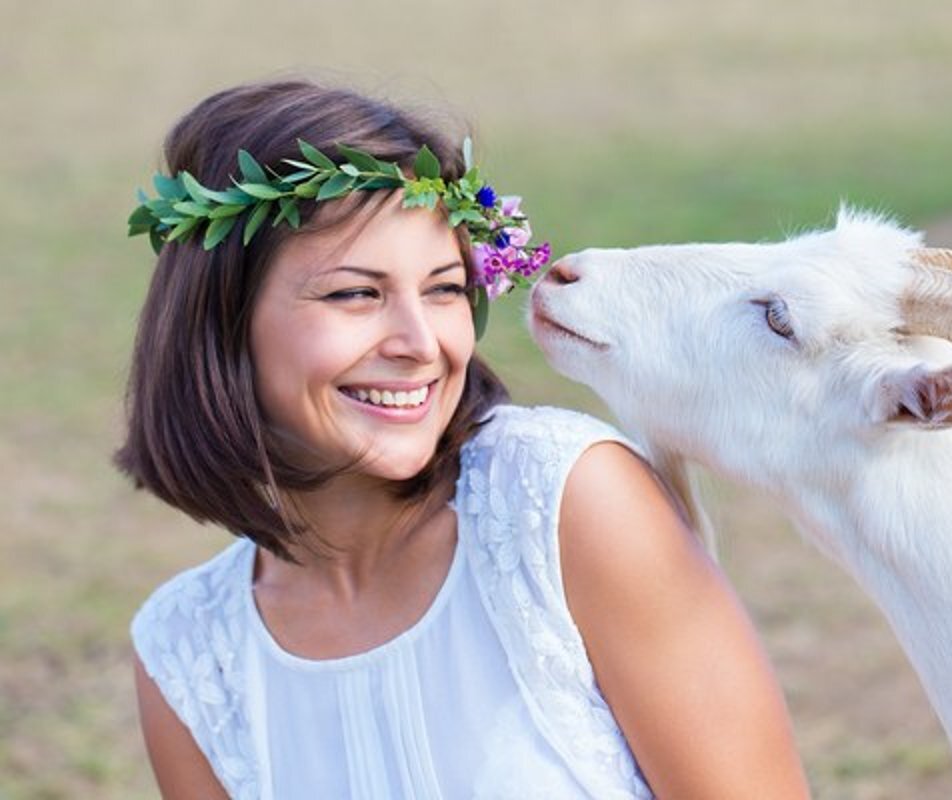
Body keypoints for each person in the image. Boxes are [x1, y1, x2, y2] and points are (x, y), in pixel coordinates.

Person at [118, 78, 810, 799]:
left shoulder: (564, 503)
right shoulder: (189, 651)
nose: (422, 344)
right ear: (221, 321)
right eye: (356, 293)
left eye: (445, 289)